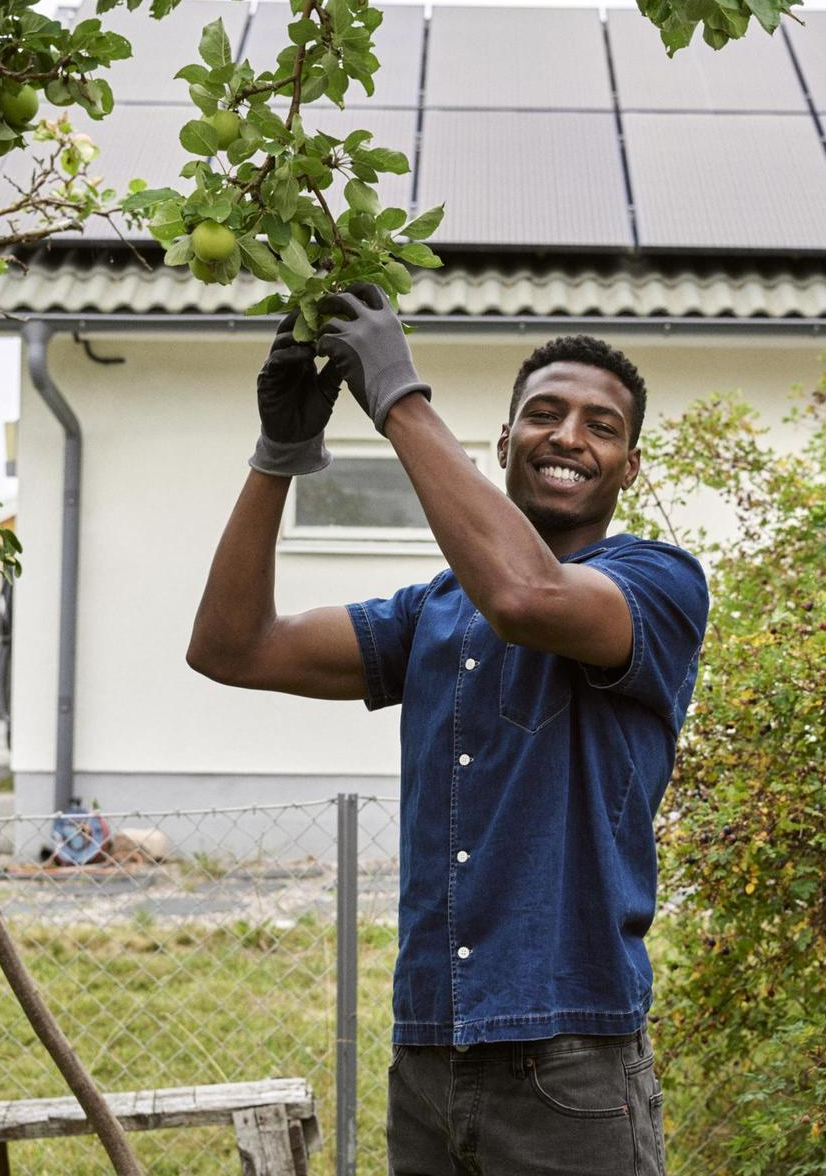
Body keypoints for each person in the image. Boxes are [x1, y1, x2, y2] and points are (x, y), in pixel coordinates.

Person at [186, 285, 708, 1175]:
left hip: (570, 1060)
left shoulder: (659, 585)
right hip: (430, 1052)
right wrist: (280, 452)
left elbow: (528, 597)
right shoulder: (429, 613)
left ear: (628, 468)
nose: (569, 436)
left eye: (601, 426)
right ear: (503, 445)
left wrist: (397, 395)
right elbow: (233, 647)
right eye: (543, 414)